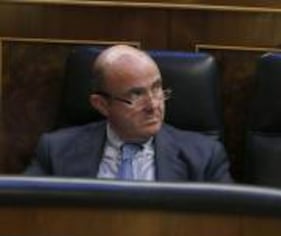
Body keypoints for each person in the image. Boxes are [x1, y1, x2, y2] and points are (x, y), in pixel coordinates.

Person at [25, 45, 232, 182]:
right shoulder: (56, 151)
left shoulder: (205, 157)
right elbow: (22, 216)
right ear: (102, 105)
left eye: (157, 88)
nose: (154, 105)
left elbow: (227, 228)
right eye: (136, 95)